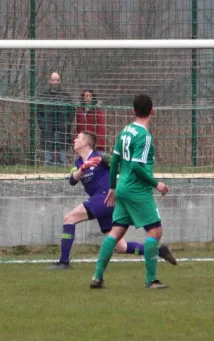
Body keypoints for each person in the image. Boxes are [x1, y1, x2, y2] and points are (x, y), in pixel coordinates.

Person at [47, 130, 177, 270]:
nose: (74, 140)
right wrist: (84, 167)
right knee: (120, 247)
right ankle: (158, 252)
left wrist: (144, 185)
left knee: (69, 218)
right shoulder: (78, 162)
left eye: (77, 138)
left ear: (85, 142)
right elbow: (72, 180)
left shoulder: (101, 156)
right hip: (102, 202)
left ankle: (63, 261)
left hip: (105, 197)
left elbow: (124, 169)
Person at [90, 94, 171, 289]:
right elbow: (136, 167)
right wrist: (156, 184)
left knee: (116, 232)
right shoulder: (144, 136)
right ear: (152, 111)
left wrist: (112, 187)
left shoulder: (125, 131)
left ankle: (97, 277)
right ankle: (151, 280)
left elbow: (115, 161)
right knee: (155, 231)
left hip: (123, 187)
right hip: (137, 190)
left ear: (133, 111)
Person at [37, 72, 75, 166]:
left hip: (62, 127)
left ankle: (63, 166)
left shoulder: (66, 96)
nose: (55, 82)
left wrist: (67, 123)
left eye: (57, 80)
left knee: (62, 149)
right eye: (53, 80)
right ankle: (48, 167)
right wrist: (42, 124)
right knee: (48, 149)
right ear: (50, 81)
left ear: (60, 81)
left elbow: (72, 111)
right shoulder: (44, 96)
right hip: (48, 127)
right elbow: (38, 111)